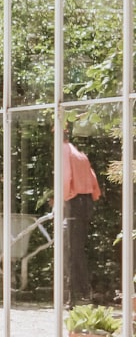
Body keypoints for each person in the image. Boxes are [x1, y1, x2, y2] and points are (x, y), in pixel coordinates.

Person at [61, 129, 101, 306]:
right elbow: (93, 179)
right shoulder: (79, 154)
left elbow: (66, 176)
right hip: (86, 202)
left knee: (71, 250)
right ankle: (83, 292)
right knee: (77, 248)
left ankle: (76, 296)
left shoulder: (64, 150)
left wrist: (64, 197)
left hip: (75, 202)